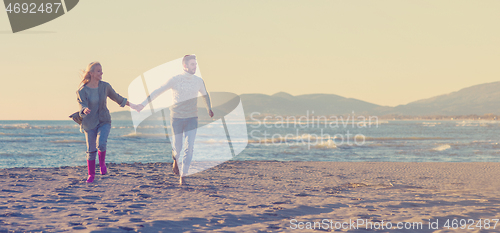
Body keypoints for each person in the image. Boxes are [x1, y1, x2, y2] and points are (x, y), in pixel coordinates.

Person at [135, 55, 213, 185]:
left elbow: (205, 95)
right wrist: (143, 104)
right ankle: (175, 160)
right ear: (185, 66)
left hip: (192, 118)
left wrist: (209, 108)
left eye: (196, 64)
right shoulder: (175, 80)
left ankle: (183, 175)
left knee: (190, 147)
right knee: (178, 147)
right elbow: (157, 91)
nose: (195, 66)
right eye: (192, 64)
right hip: (176, 118)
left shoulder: (199, 81)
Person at [77, 62, 138, 183]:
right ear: (91, 73)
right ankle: (91, 175)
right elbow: (81, 105)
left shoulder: (105, 86)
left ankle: (102, 164)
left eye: (101, 70)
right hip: (89, 122)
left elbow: (117, 98)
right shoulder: (82, 91)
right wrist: (84, 109)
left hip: (104, 120)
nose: (101, 73)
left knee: (101, 144)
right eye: (99, 71)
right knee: (91, 149)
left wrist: (133, 105)